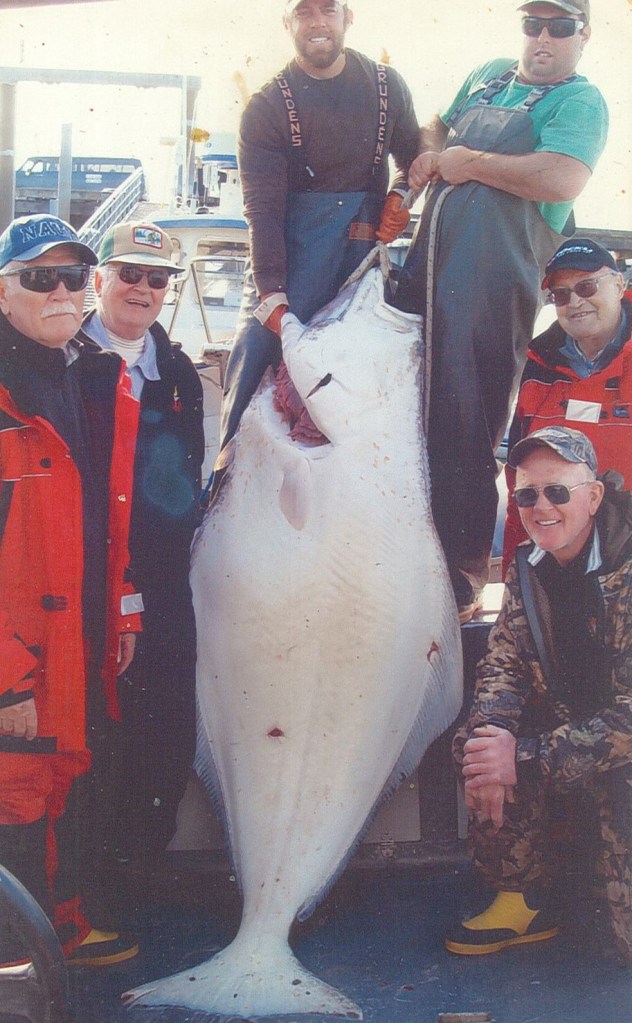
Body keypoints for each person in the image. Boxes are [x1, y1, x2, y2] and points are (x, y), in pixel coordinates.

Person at [393, 0, 608, 623]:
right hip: (426, 274)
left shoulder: (580, 102)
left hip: (492, 287)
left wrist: (469, 165)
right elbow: (435, 127)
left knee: (467, 420)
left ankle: (460, 575)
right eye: (533, 23)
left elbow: (563, 177)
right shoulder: (488, 74)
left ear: (582, 35)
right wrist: (429, 155)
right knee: (407, 413)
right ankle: (402, 561)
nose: (543, 37)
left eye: (559, 26)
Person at [0, 214, 141, 967]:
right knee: (16, 805)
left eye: (73, 276)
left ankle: (63, 932)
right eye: (37, 277)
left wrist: (119, 614)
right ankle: (19, 973)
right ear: (3, 291)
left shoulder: (87, 377)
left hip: (76, 640)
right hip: (15, 663)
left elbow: (103, 521)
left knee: (67, 788)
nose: (59, 291)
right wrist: (4, 681)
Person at [446, 426, 632, 965]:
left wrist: (523, 755)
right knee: (479, 743)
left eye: (558, 492)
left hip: (620, 740)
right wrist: (493, 740)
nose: (541, 507)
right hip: (573, 729)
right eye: (527, 494)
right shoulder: (528, 569)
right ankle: (520, 897)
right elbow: (502, 665)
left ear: (593, 496)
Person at [215, 0, 420, 479]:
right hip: (288, 267)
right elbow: (261, 213)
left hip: (359, 270)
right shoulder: (266, 107)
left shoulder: (388, 86)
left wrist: (401, 194)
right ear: (288, 23)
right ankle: (222, 487)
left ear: (349, 16)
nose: (318, 23)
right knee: (250, 382)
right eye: (304, 13)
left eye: (328, 9)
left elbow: (413, 156)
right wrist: (273, 301)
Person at [79, 221, 204, 859]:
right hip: (84, 584)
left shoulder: (180, 372)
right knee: (94, 739)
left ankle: (140, 881)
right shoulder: (62, 360)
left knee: (165, 732)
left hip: (160, 587)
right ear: (98, 279)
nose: (143, 289)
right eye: (129, 273)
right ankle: (86, 899)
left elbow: (188, 481)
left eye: (157, 278)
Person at [503, 238, 632, 574]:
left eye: (587, 286)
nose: (575, 302)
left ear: (619, 285)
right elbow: (520, 488)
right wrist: (514, 581)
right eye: (561, 294)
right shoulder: (537, 365)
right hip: (555, 573)